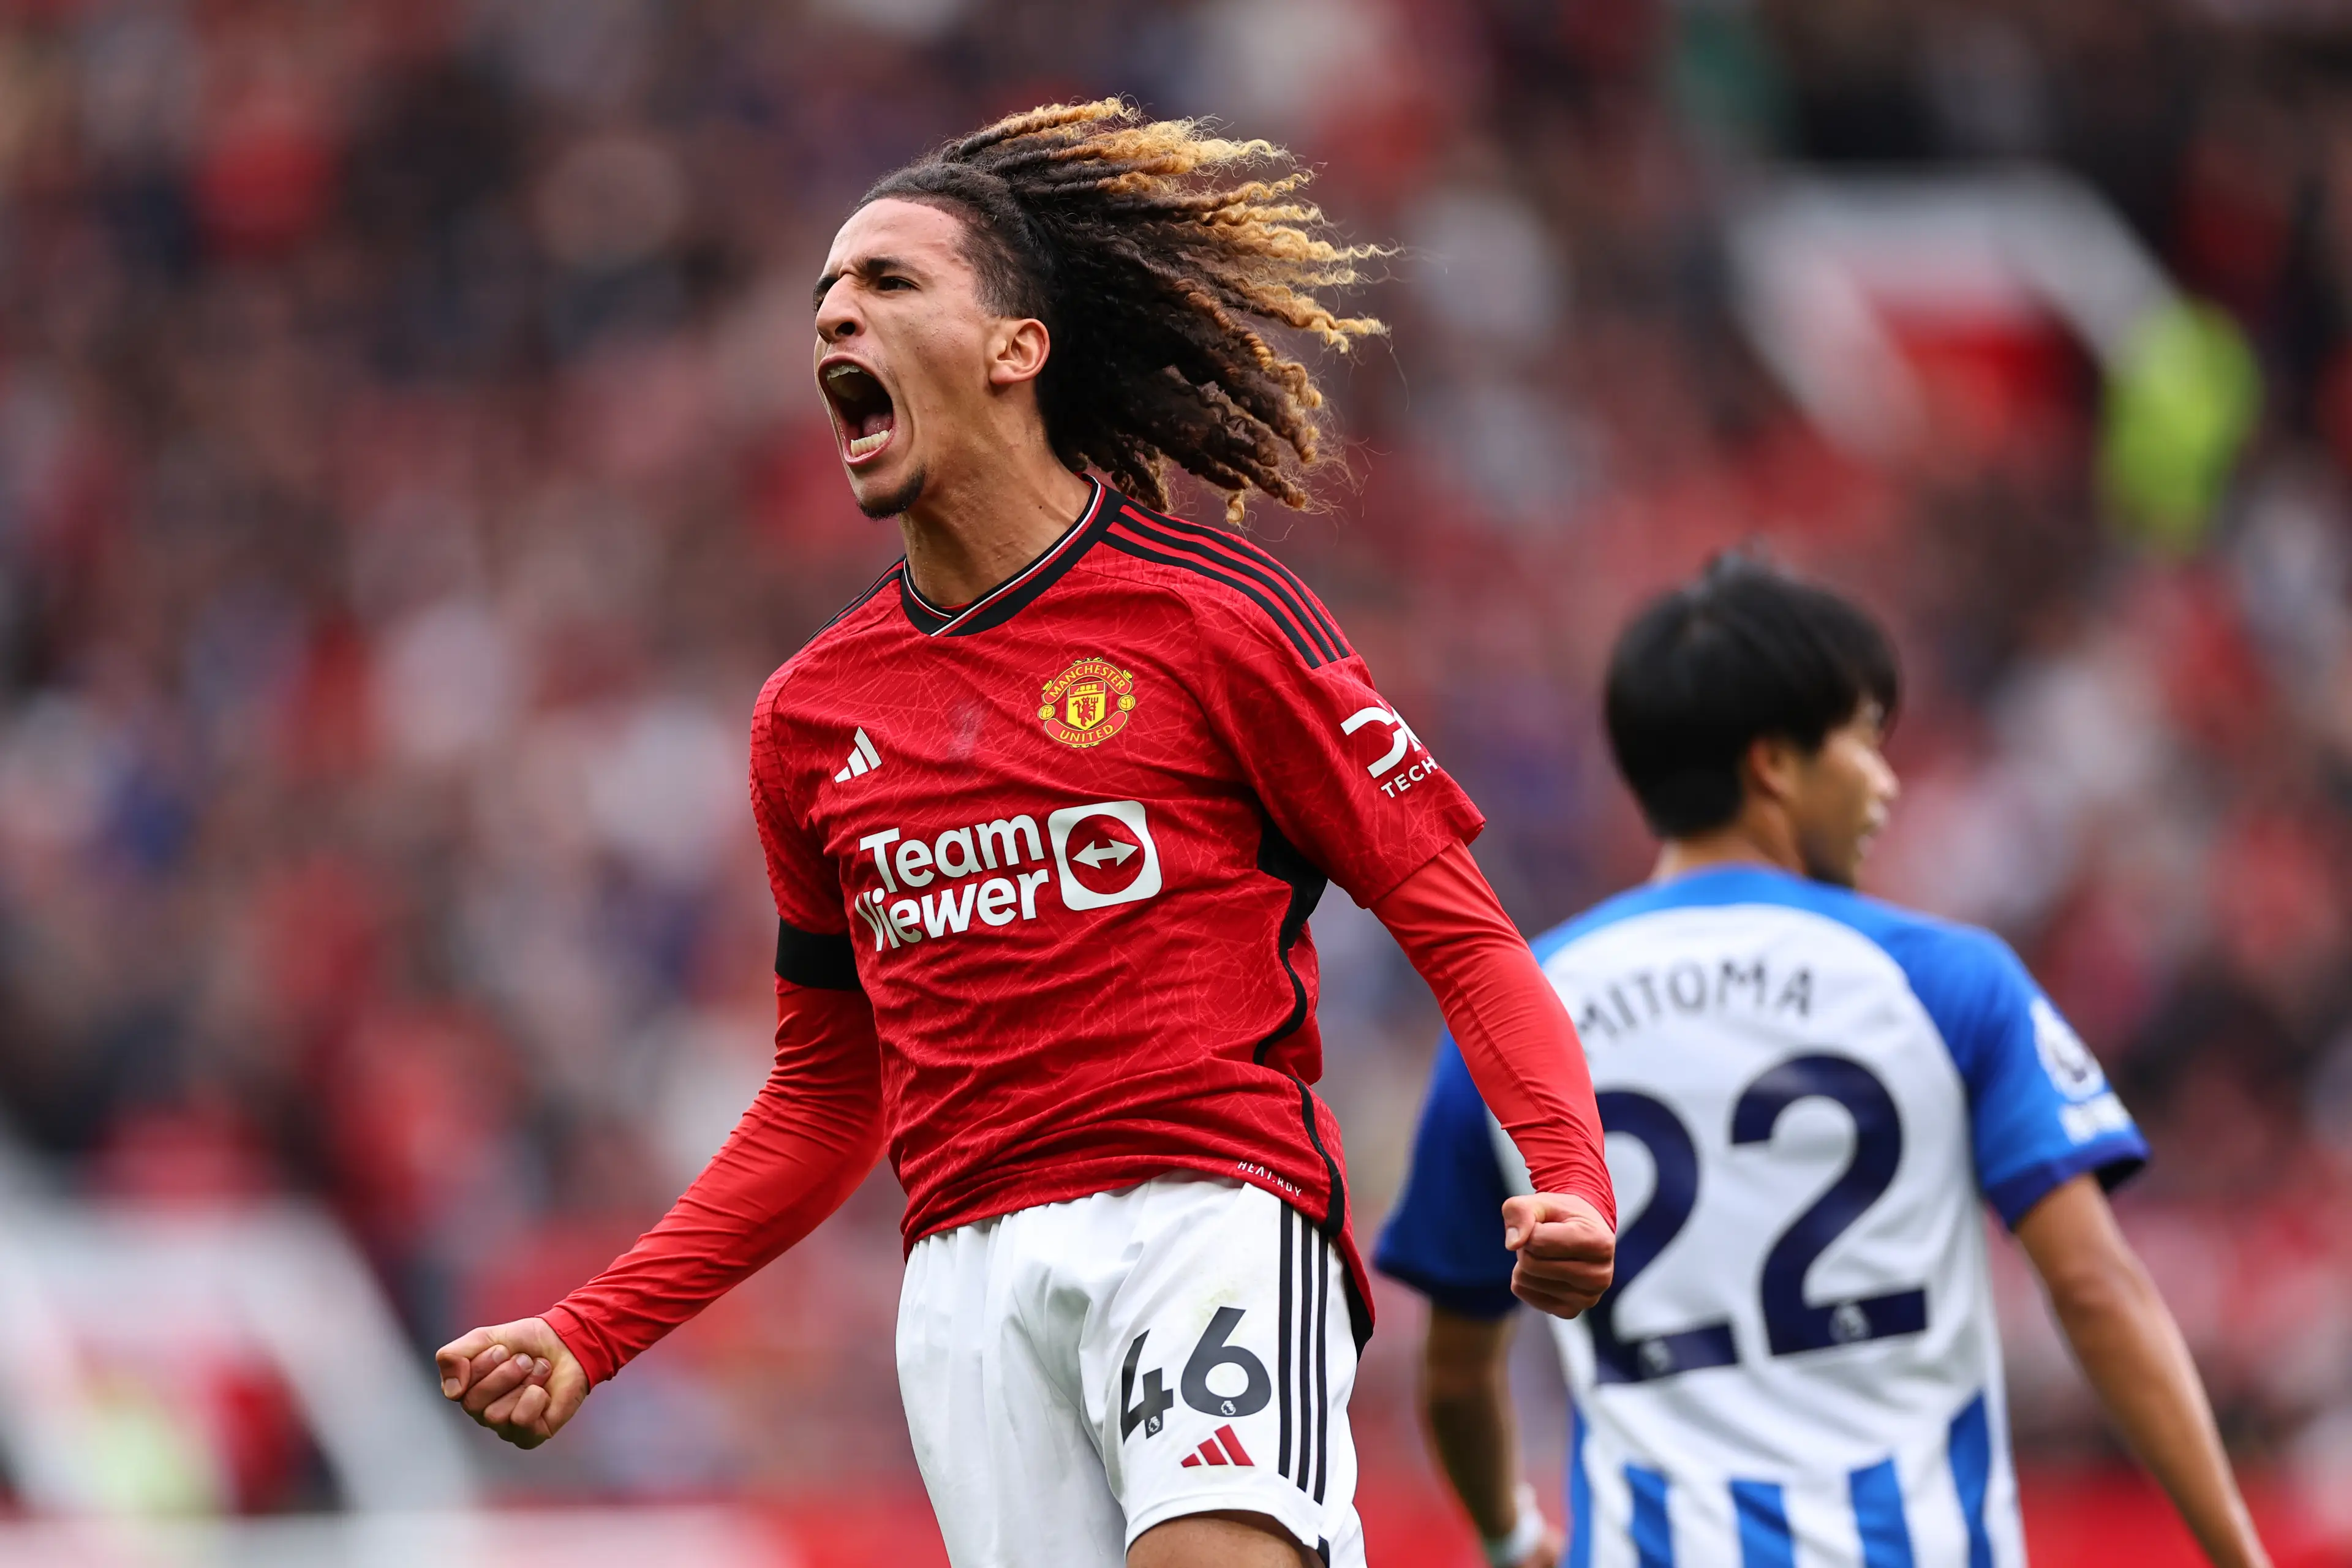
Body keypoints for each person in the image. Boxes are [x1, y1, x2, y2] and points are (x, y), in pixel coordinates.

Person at [432, 100, 1618, 1568]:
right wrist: (592, 1331)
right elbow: (822, 1096)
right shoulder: (811, 716)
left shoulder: (1216, 615)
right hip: (966, 1282)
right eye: (822, 301)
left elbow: (1463, 931)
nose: (833, 320)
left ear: (1017, 347)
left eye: (886, 282)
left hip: (1209, 1213)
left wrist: (1565, 1166)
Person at [1374, 559, 2271, 1568]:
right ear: (1774, 766)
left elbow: (1456, 1374)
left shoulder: (1515, 1015)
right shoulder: (1947, 980)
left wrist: (1506, 1534)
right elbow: (2098, 1289)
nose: (1886, 784)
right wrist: (2238, 1553)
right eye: (1865, 741)